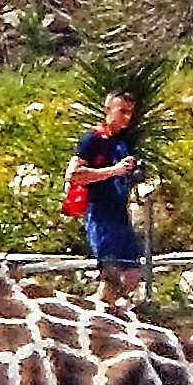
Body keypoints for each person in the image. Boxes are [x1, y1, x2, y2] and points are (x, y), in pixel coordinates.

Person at [68, 91, 147, 299]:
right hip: (101, 214)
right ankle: (95, 315)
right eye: (122, 111)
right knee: (110, 277)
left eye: (130, 113)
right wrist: (113, 170)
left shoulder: (121, 142)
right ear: (108, 110)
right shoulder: (92, 139)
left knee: (132, 276)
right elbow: (74, 175)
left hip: (120, 215)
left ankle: (105, 312)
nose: (127, 117)